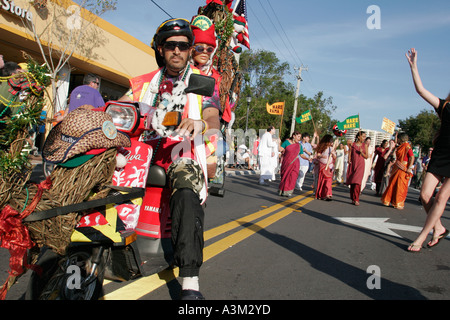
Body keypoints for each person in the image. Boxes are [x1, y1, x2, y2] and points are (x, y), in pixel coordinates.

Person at [119, 18, 221, 299]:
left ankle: (189, 280)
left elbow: (213, 117)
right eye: (170, 45)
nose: (177, 51)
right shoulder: (142, 84)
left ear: (190, 50)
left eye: (183, 46)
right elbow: (120, 108)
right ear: (161, 50)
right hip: (142, 152)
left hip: (181, 152)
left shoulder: (201, 83)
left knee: (187, 188)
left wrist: (202, 124)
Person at [405, 48, 450, 252]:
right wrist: (414, 67)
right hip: (441, 156)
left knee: (441, 198)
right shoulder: (445, 107)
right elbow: (421, 91)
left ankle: (421, 237)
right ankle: (439, 227)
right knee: (424, 195)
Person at [381, 132, 414, 210]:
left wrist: (409, 167)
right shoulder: (401, 146)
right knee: (393, 184)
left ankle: (398, 202)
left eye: (398, 139)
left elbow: (412, 157)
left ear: (401, 139)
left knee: (400, 186)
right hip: (397, 167)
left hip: (403, 168)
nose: (397, 140)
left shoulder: (407, 146)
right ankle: (391, 200)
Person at [346, 131, 369, 205]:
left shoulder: (364, 145)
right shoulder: (353, 145)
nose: (364, 138)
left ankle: (356, 199)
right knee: (353, 182)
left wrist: (362, 153)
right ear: (358, 137)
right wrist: (349, 160)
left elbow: (366, 156)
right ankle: (353, 198)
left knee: (357, 182)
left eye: (365, 136)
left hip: (360, 165)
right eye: (363, 136)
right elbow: (350, 153)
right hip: (353, 164)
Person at [278, 131, 303, 197]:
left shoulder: (299, 145)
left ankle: (289, 192)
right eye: (298, 137)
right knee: (285, 177)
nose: (299, 138)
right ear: (294, 136)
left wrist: (308, 158)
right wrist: (278, 143)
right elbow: (280, 149)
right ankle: (283, 191)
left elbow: (302, 154)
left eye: (300, 137)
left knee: (293, 177)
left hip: (295, 163)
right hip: (286, 162)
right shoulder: (286, 142)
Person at [315, 134, 337, 201]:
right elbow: (318, 155)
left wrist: (333, 153)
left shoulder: (332, 149)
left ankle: (327, 194)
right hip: (323, 166)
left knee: (328, 180)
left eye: (332, 140)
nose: (331, 142)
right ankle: (321, 194)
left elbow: (335, 157)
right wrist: (321, 156)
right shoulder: (322, 148)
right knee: (322, 180)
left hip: (329, 166)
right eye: (330, 140)